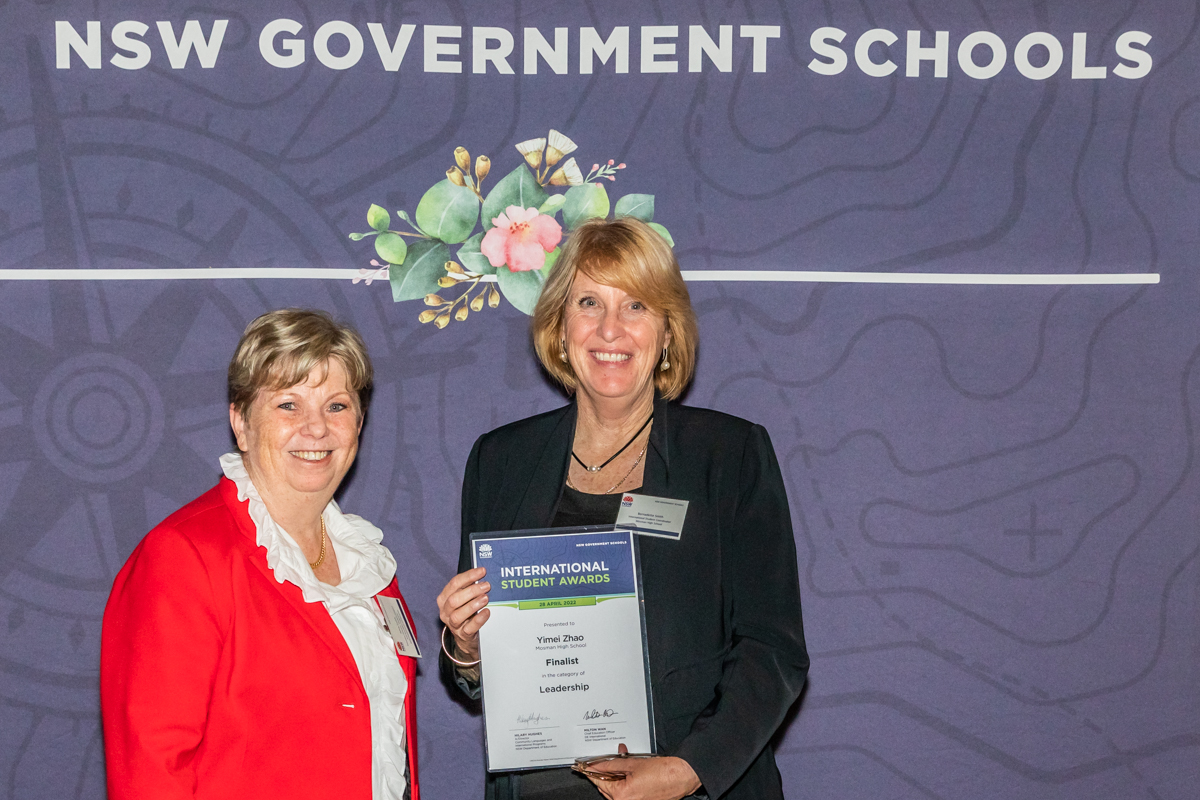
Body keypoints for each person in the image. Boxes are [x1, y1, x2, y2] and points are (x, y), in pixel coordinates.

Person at [437, 218, 809, 800]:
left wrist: (688, 770)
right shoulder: (500, 460)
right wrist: (466, 649)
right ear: (561, 327)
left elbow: (773, 650)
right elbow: (482, 679)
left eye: (636, 305)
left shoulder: (729, 455)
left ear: (667, 334)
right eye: (589, 302)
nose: (611, 329)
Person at [101, 309, 419, 800]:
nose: (316, 429)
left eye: (336, 406)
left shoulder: (369, 565)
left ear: (359, 422)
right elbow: (151, 774)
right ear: (241, 424)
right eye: (288, 405)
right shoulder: (184, 558)